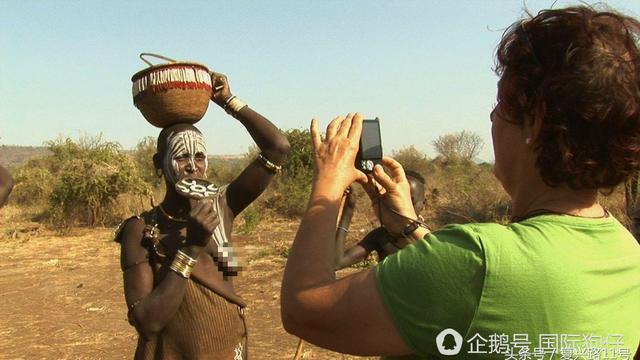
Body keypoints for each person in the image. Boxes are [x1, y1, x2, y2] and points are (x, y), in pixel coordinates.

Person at [281, 6, 640, 359]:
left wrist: (327, 184)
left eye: (500, 104)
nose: (491, 116)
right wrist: (408, 225)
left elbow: (304, 309)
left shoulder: (480, 261)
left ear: (534, 120)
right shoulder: (627, 255)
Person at [115, 72, 290, 359]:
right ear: (160, 164)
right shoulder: (142, 228)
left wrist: (228, 101)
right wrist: (190, 249)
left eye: (199, 157)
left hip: (228, 347)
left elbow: (277, 148)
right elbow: (148, 322)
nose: (192, 167)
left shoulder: (222, 205)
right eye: (182, 157)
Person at [335, 171, 426, 269]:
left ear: (424, 204)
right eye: (400, 200)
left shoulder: (434, 238)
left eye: (411, 201)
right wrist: (349, 208)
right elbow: (337, 262)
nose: (404, 206)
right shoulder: (383, 235)